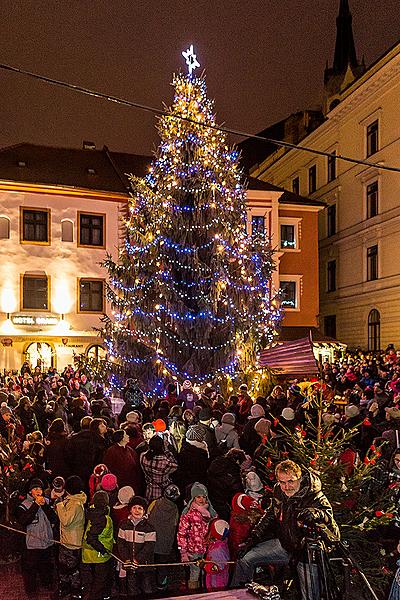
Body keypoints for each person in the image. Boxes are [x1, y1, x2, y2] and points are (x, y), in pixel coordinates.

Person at [231, 459, 340, 600]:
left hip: (306, 553)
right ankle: (237, 595)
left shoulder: (314, 495)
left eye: (291, 481)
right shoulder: (279, 491)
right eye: (282, 482)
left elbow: (332, 528)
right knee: (245, 559)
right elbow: (270, 515)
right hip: (285, 545)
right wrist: (252, 540)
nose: (286, 486)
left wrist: (317, 513)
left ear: (299, 478)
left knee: (311, 596)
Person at [15, 478, 55, 596]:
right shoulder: (23, 505)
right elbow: (24, 521)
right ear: (30, 491)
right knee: (30, 568)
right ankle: (31, 590)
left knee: (46, 565)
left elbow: (54, 518)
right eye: (35, 488)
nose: (38, 491)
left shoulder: (47, 501)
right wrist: (36, 505)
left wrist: (45, 506)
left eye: (40, 488)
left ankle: (47, 583)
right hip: (32, 544)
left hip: (47, 541)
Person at [177, 482, 217, 590]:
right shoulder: (188, 513)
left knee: (207, 573)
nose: (201, 499)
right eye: (198, 496)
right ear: (193, 497)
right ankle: (193, 593)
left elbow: (216, 529)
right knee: (194, 573)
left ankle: (206, 591)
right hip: (193, 550)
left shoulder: (211, 512)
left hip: (208, 549)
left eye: (204, 497)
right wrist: (183, 552)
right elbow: (181, 534)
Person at [117, 495, 156, 597]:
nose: (137, 510)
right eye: (134, 507)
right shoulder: (124, 525)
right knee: (132, 589)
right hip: (130, 565)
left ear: (144, 511)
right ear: (130, 509)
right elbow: (121, 544)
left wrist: (137, 559)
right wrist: (126, 559)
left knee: (147, 588)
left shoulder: (149, 527)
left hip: (144, 565)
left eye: (140, 508)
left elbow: (149, 546)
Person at [55, 475, 87, 599]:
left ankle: (75, 590)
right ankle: (66, 587)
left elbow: (65, 520)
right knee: (64, 566)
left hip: (72, 543)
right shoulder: (73, 501)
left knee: (72, 568)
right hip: (67, 540)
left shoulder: (75, 504)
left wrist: (59, 505)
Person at [81, 490, 114, 600]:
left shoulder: (93, 512)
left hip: (91, 553)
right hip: (99, 554)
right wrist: (103, 549)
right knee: (99, 581)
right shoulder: (101, 518)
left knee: (97, 578)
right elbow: (91, 538)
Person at [148, 483, 180, 592]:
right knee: (162, 565)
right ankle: (161, 584)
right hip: (165, 543)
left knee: (149, 563)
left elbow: (147, 516)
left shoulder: (155, 503)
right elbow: (175, 524)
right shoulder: (175, 509)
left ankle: (147, 583)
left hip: (151, 540)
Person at [140, 435, 178, 502]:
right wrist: (167, 451)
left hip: (150, 489)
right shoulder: (164, 463)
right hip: (163, 491)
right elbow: (175, 465)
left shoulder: (143, 456)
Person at [204, 519, 230, 591]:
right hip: (215, 579)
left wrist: (204, 565)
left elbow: (218, 567)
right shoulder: (219, 543)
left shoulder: (218, 550)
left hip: (217, 582)